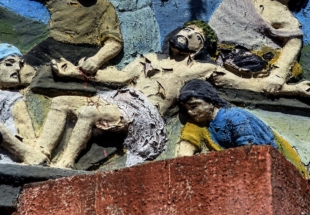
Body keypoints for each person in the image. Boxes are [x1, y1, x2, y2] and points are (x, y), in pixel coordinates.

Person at [35, 20, 222, 169]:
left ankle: (66, 163)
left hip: (144, 114)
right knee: (61, 102)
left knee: (89, 112)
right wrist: (75, 72)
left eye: (197, 37)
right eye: (187, 30)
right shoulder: (150, 58)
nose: (188, 34)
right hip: (120, 100)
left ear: (199, 48)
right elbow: (120, 77)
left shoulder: (197, 69)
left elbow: (232, 80)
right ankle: (40, 154)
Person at [167, 0, 310, 97]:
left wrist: (278, 75)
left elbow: (293, 44)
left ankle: (289, 89)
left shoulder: (286, 19)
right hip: (206, 48)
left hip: (243, 62)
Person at [21, 0, 123, 87]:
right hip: (51, 49)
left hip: (85, 53)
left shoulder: (104, 6)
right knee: (24, 71)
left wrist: (96, 60)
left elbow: (114, 42)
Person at [176, 79, 309, 178]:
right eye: (187, 109)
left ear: (211, 101)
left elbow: (248, 150)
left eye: (194, 106)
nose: (190, 112)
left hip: (267, 164)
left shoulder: (234, 117)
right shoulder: (205, 124)